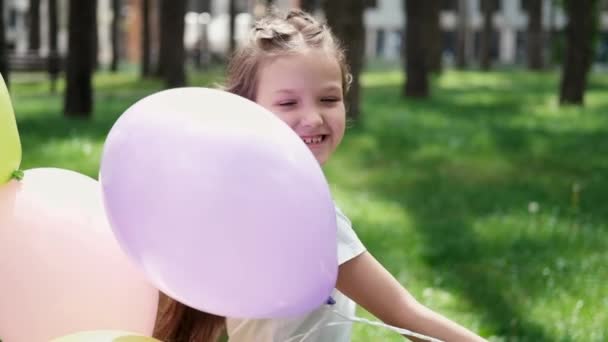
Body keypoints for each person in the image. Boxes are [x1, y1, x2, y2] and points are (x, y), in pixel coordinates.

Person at [154, 9, 486, 342]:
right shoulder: (306, 214)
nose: (312, 118)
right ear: (248, 109)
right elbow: (403, 315)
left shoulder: (240, 195)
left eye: (328, 99)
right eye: (288, 103)